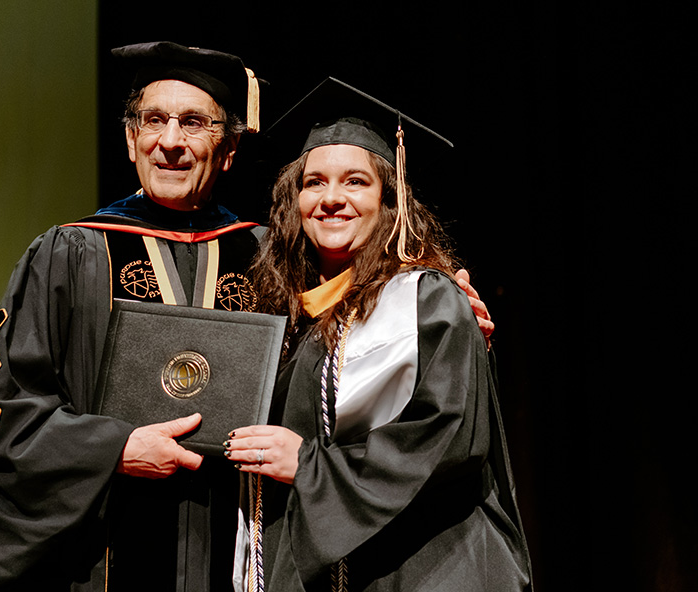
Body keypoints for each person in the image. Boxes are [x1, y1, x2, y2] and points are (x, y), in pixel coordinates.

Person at [0, 42, 494, 590]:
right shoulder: (68, 254)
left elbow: (367, 319)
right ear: (130, 139)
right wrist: (114, 448)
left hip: (243, 554)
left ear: (228, 148)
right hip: (105, 554)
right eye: (153, 121)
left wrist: (445, 301)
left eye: (194, 123)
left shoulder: (272, 257)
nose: (170, 142)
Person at [225, 78, 531, 591]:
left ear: (390, 199)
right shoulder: (283, 314)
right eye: (313, 182)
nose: (331, 199)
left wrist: (308, 466)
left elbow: (450, 437)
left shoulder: (424, 300)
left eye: (355, 182)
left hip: (425, 565)